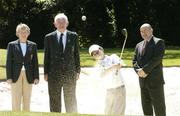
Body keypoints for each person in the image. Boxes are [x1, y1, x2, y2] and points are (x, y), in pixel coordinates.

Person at [44, 13, 80, 113]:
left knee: (71, 99)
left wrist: (78, 70)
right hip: (53, 73)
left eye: (63, 21)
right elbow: (47, 56)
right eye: (59, 21)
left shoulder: (74, 36)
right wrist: (46, 72)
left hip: (70, 72)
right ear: (54, 24)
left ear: (67, 23)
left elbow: (76, 54)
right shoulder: (49, 37)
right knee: (54, 99)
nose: (61, 23)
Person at [132, 23, 166, 116]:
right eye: (141, 31)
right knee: (146, 107)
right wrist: (139, 71)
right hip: (142, 81)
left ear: (151, 30)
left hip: (155, 82)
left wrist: (145, 71)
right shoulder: (138, 45)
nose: (144, 33)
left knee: (159, 108)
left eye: (146, 30)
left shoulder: (159, 42)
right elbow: (134, 61)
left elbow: (157, 59)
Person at [6, 23, 39, 111]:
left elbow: (35, 62)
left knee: (27, 98)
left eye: (25, 32)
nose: (23, 34)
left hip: (29, 74)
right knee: (16, 98)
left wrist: (36, 77)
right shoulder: (11, 45)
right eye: (21, 32)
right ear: (18, 33)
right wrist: (9, 77)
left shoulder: (33, 45)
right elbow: (8, 62)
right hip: (15, 74)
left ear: (28, 33)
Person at [88, 44, 126, 115]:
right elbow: (102, 74)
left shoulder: (113, 57)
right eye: (94, 54)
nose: (96, 54)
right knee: (108, 112)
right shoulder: (97, 65)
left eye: (97, 52)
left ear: (101, 49)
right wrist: (113, 67)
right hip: (108, 91)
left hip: (119, 88)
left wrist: (118, 65)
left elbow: (121, 64)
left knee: (119, 112)